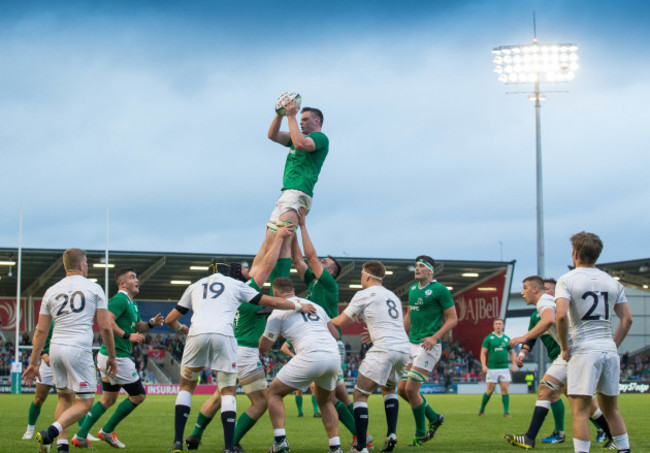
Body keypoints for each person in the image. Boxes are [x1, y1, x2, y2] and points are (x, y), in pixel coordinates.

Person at [165, 260, 316, 453]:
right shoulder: (238, 290)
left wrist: (181, 329)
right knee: (257, 400)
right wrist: (296, 306)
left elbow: (171, 319)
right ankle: (231, 444)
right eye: (245, 270)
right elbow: (270, 295)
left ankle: (189, 436)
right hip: (238, 348)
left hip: (199, 335)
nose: (249, 273)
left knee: (203, 392)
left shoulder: (195, 286)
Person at [183, 226, 295, 452]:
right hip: (244, 353)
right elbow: (265, 265)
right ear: (239, 276)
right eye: (245, 270)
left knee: (218, 396)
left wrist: (269, 237)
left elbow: (258, 261)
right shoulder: (245, 291)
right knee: (261, 401)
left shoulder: (229, 295)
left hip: (228, 349)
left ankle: (195, 434)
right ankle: (232, 440)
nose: (248, 271)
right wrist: (280, 238)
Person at [22, 248, 117, 453]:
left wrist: (32, 362)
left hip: (56, 349)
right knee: (85, 402)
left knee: (65, 398)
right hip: (78, 349)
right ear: (82, 265)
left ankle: (62, 446)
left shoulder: (51, 291)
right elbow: (106, 327)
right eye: (87, 263)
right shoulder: (94, 288)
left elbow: (40, 331)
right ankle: (52, 431)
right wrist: (111, 356)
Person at [504, 276, 615, 450]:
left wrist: (523, 337)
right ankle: (612, 436)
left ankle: (531, 437)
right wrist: (525, 350)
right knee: (580, 401)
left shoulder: (543, 302)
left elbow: (548, 320)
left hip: (574, 353)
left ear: (535, 290)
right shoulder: (547, 302)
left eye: (525, 288)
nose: (522, 292)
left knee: (550, 392)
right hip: (572, 353)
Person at [556, 232, 633, 453]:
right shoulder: (611, 281)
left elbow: (561, 316)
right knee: (612, 410)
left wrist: (563, 347)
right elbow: (627, 319)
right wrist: (614, 344)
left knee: (580, 410)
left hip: (584, 349)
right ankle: (624, 450)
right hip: (608, 348)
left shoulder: (566, 280)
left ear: (576, 253)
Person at [291, 209, 363, 445]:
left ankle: (360, 439)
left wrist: (302, 226)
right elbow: (299, 260)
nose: (319, 261)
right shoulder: (313, 282)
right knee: (340, 398)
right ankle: (363, 437)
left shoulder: (328, 283)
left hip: (328, 344)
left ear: (330, 271)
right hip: (324, 343)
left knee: (328, 399)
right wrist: (290, 232)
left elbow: (310, 258)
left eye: (325, 262)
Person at [72, 267, 164, 448]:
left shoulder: (132, 303)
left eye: (136, 276)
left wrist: (151, 323)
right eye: (132, 277)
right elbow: (107, 321)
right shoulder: (120, 299)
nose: (136, 279)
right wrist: (126, 336)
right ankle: (106, 431)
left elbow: (138, 326)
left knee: (108, 399)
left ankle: (81, 435)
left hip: (109, 356)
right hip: (117, 357)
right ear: (122, 283)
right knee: (138, 396)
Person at [331, 261, 410, 453]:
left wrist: (318, 320)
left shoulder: (364, 294)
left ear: (366, 275)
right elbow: (392, 324)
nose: (360, 279)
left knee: (360, 394)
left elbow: (340, 322)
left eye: (360, 275)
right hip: (403, 349)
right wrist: (373, 334)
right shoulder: (393, 296)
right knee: (388, 389)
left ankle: (360, 447)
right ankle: (391, 434)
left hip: (384, 349)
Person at [259, 277, 341, 453]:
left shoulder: (277, 313)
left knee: (273, 392)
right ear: (293, 290)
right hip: (333, 355)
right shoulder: (315, 306)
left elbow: (264, 347)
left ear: (275, 293)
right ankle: (335, 447)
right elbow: (336, 335)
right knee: (325, 402)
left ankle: (280, 442)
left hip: (310, 355)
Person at [252, 99, 329, 274]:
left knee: (283, 241)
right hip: (287, 192)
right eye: (299, 119)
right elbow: (272, 135)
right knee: (269, 243)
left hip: (298, 192)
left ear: (317, 121)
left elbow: (301, 144)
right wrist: (279, 114)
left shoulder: (320, 138)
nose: (300, 123)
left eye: (305, 120)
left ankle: (279, 290)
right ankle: (251, 282)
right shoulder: (297, 138)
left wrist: (291, 116)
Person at [397, 255, 456, 448]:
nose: (417, 269)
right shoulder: (413, 289)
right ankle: (434, 417)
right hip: (412, 344)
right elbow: (409, 315)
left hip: (429, 345)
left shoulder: (440, 290)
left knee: (410, 389)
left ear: (431, 271)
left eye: (421, 266)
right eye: (415, 266)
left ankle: (421, 433)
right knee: (401, 390)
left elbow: (452, 319)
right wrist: (398, 335)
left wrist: (434, 337)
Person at [478, 318, 517, 417]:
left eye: (500, 324)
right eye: (496, 324)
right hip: (492, 368)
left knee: (505, 390)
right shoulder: (488, 338)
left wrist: (514, 364)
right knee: (490, 390)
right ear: (493, 326)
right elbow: (483, 352)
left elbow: (512, 353)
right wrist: (483, 365)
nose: (498, 325)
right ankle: (482, 409)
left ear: (503, 326)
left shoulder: (507, 339)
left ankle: (506, 412)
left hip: (504, 368)